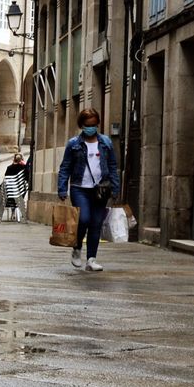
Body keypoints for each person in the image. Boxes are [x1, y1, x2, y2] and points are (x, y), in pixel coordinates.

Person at [57, 108, 120, 272]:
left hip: (100, 189)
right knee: (83, 219)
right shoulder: (74, 144)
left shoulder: (105, 142)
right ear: (81, 125)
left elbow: (113, 166)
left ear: (97, 124)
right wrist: (62, 188)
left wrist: (115, 187)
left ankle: (91, 259)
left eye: (93, 124)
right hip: (79, 188)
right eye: (87, 125)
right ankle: (77, 248)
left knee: (96, 224)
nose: (90, 128)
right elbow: (65, 167)